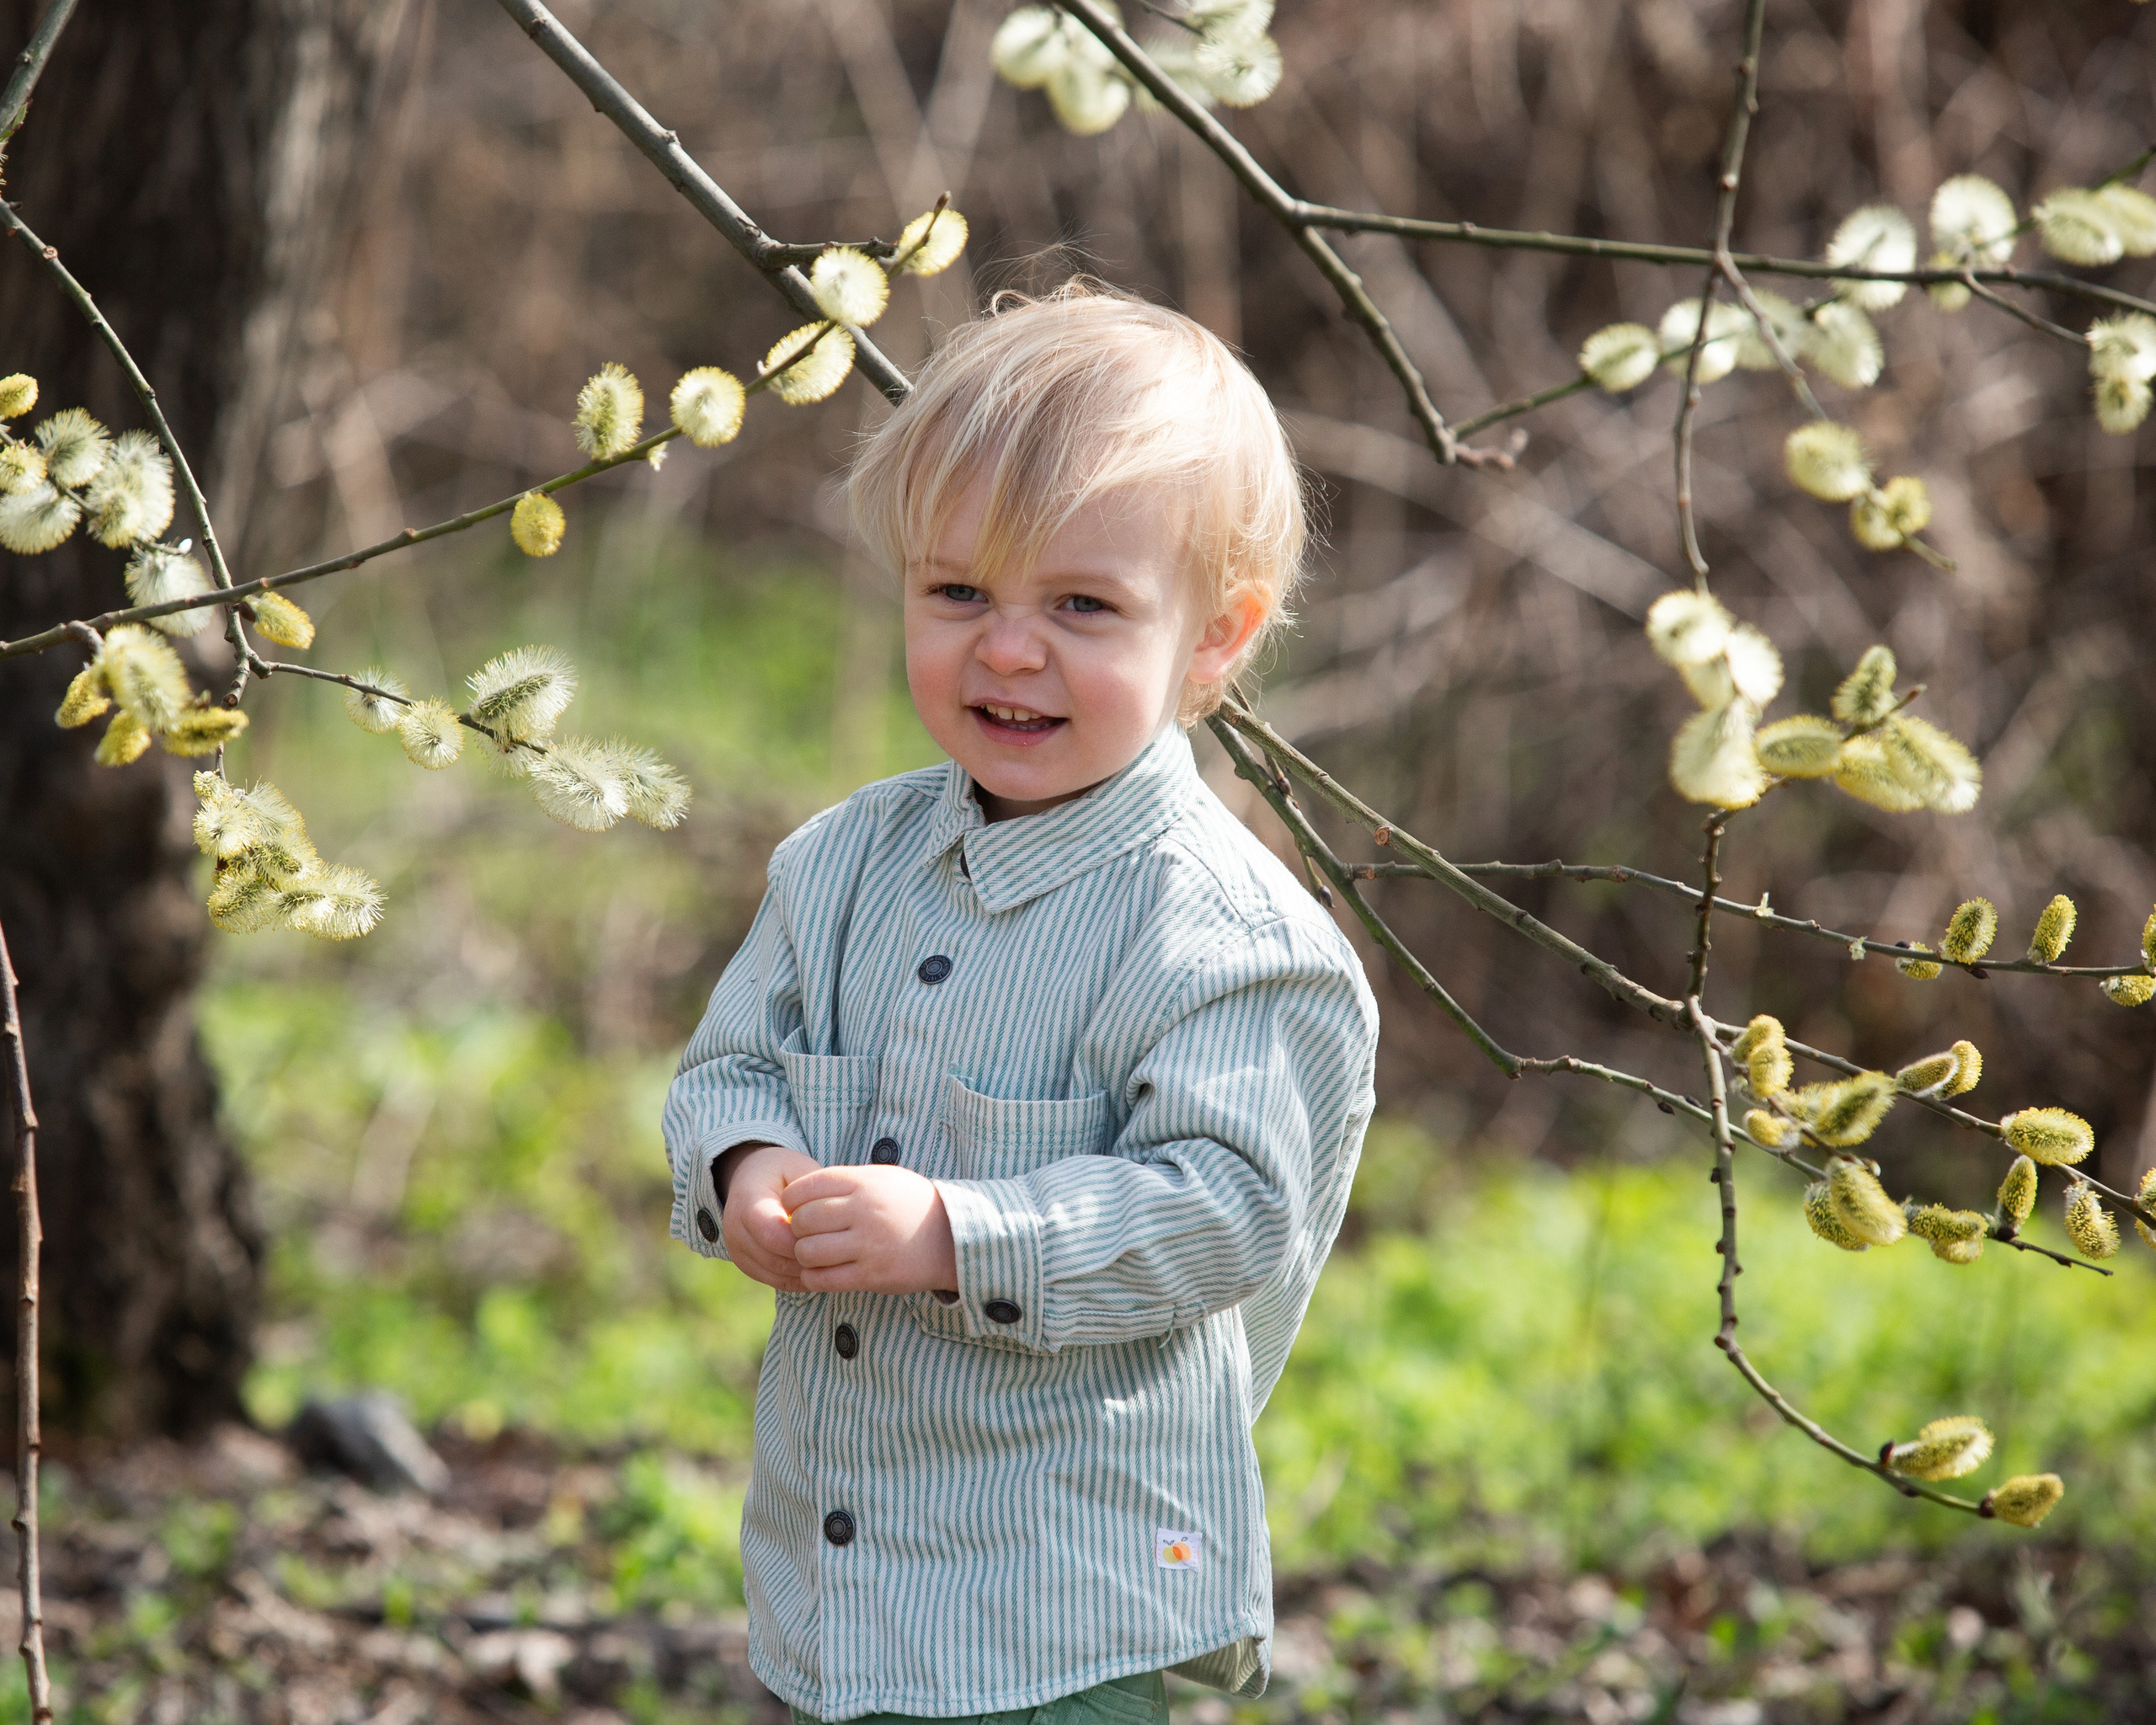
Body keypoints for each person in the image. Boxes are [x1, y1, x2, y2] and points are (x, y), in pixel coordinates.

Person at [661, 284, 1379, 1725]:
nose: (1007, 648)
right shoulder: (844, 862)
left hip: (1081, 1592)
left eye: (1083, 606)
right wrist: (747, 1164)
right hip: (847, 1566)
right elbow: (732, 1062)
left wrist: (958, 1234)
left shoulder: (1221, 933)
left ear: (1218, 641)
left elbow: (1232, 1208)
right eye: (959, 593)